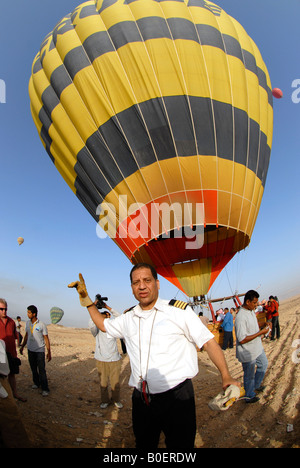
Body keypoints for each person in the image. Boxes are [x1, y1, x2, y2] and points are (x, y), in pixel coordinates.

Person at [69, 263, 240, 449]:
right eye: (136, 282)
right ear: (132, 288)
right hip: (142, 399)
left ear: (157, 284)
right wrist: (86, 300)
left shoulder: (179, 311)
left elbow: (208, 342)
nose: (142, 286)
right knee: (144, 444)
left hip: (178, 398)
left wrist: (225, 375)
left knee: (181, 447)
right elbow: (103, 325)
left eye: (147, 280)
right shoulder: (128, 317)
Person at [235, 290, 270, 404]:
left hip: (257, 348)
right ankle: (249, 395)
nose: (256, 305)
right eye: (254, 303)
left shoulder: (250, 311)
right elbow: (242, 339)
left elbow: (253, 326)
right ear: (248, 302)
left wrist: (263, 324)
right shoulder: (240, 317)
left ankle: (256, 386)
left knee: (263, 364)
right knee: (249, 375)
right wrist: (260, 333)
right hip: (247, 351)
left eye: (257, 303)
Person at [88, 304, 123, 409]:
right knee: (103, 383)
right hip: (101, 360)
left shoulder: (113, 328)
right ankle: (105, 401)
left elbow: (120, 318)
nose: (104, 316)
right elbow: (91, 324)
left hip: (114, 360)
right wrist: (93, 306)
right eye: (101, 315)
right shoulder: (97, 330)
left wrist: (108, 308)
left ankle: (116, 400)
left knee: (115, 383)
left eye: (106, 315)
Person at [20, 305, 51, 396]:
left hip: (39, 351)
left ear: (34, 314)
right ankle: (36, 383)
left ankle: (45, 389)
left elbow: (46, 338)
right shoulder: (28, 323)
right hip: (30, 350)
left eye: (29, 312)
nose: (27, 314)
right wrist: (22, 346)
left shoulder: (41, 324)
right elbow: (26, 335)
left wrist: (49, 352)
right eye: (27, 312)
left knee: (41, 370)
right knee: (33, 368)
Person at [0, 299, 26, 402]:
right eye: (1, 309)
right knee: (1, 375)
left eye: (5, 309)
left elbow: (15, 336)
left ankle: (14, 393)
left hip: (11, 352)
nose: (4, 311)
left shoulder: (11, 321)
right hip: (1, 353)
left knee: (12, 374)